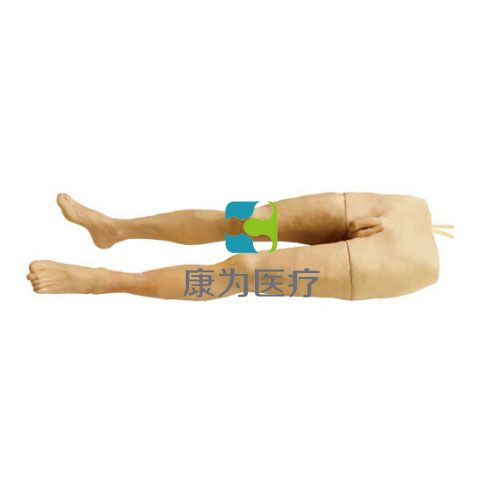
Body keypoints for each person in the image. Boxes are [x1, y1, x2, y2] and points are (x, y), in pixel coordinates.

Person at [27, 192, 441, 300]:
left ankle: (102, 281)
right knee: (243, 220)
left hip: (407, 262)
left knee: (243, 271)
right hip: (405, 211)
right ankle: (114, 229)